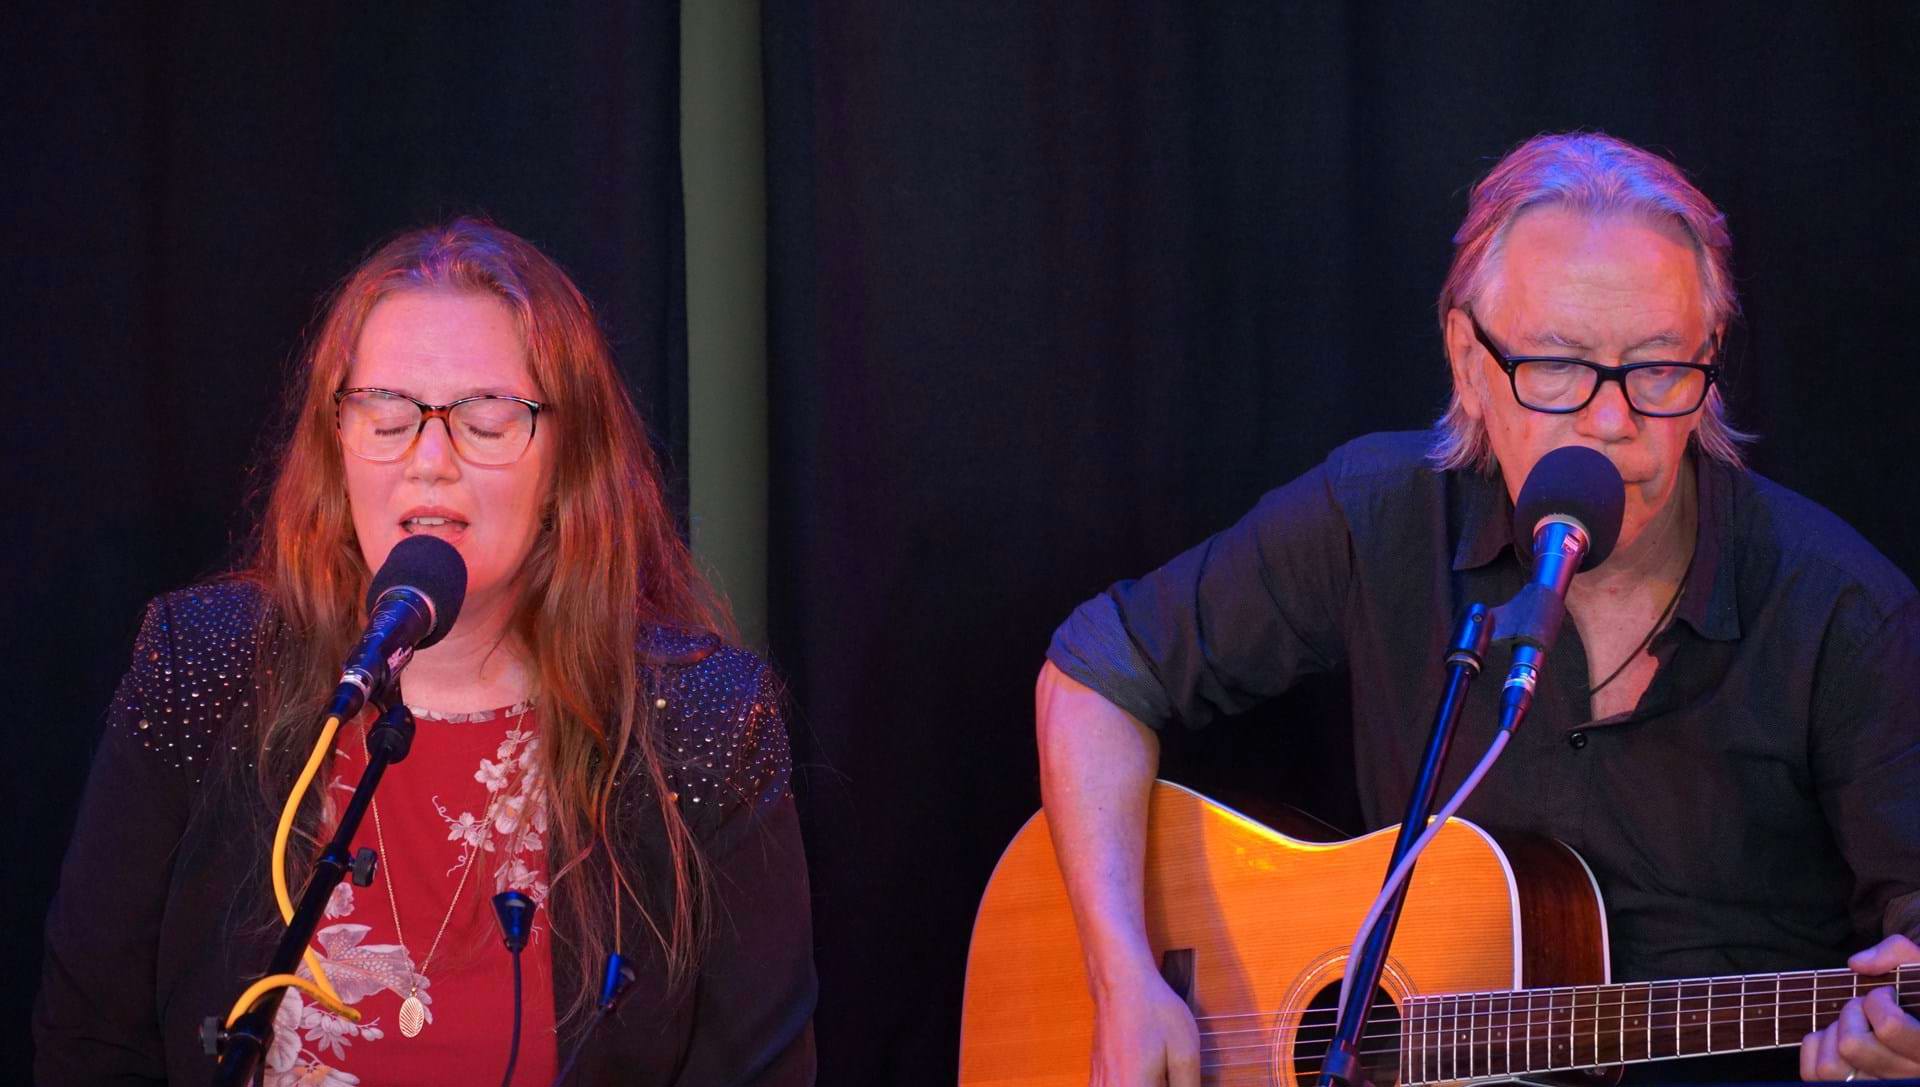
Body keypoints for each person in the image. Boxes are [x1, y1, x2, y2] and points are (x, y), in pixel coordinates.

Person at [1037, 132, 1920, 1085]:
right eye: (1558, 366)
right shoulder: (1377, 517)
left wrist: (1898, 1039)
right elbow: (1095, 674)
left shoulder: (1845, 612)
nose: (1612, 422)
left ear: (1709, 360)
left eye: (1660, 368)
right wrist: (1123, 976)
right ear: (1468, 359)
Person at [35, 219, 816, 1085]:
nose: (430, 459)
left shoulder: (704, 726)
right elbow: (90, 1044)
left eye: (486, 419)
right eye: (387, 414)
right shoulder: (204, 667)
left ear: (567, 462)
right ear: (336, 442)